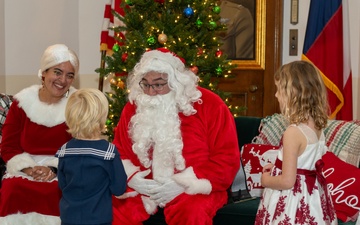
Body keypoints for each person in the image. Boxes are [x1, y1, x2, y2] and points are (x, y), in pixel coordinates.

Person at [111, 48, 240, 225]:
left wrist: (183, 183)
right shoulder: (134, 106)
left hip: (194, 186)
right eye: (145, 84)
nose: (150, 92)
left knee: (191, 212)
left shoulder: (210, 105)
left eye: (158, 84)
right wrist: (132, 178)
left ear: (176, 82)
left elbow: (226, 160)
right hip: (145, 188)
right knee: (112, 207)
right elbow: (119, 151)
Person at [0, 44, 79, 224]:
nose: (63, 80)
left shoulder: (77, 104)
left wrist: (52, 169)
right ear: (44, 73)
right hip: (23, 168)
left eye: (70, 75)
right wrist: (29, 169)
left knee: (57, 191)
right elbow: (8, 146)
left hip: (63, 169)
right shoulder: (22, 102)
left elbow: (79, 145)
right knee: (13, 188)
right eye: (57, 72)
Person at [255, 61, 337, 224]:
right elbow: (303, 165)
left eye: (279, 90)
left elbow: (287, 181)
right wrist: (278, 166)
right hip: (311, 198)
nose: (276, 95)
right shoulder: (317, 126)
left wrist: (265, 179)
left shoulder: (293, 132)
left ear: (293, 94)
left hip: (292, 203)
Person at [56, 88, 127, 225]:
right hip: (98, 218)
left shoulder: (65, 151)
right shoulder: (108, 152)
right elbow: (119, 188)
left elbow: (62, 185)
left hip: (69, 217)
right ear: (101, 118)